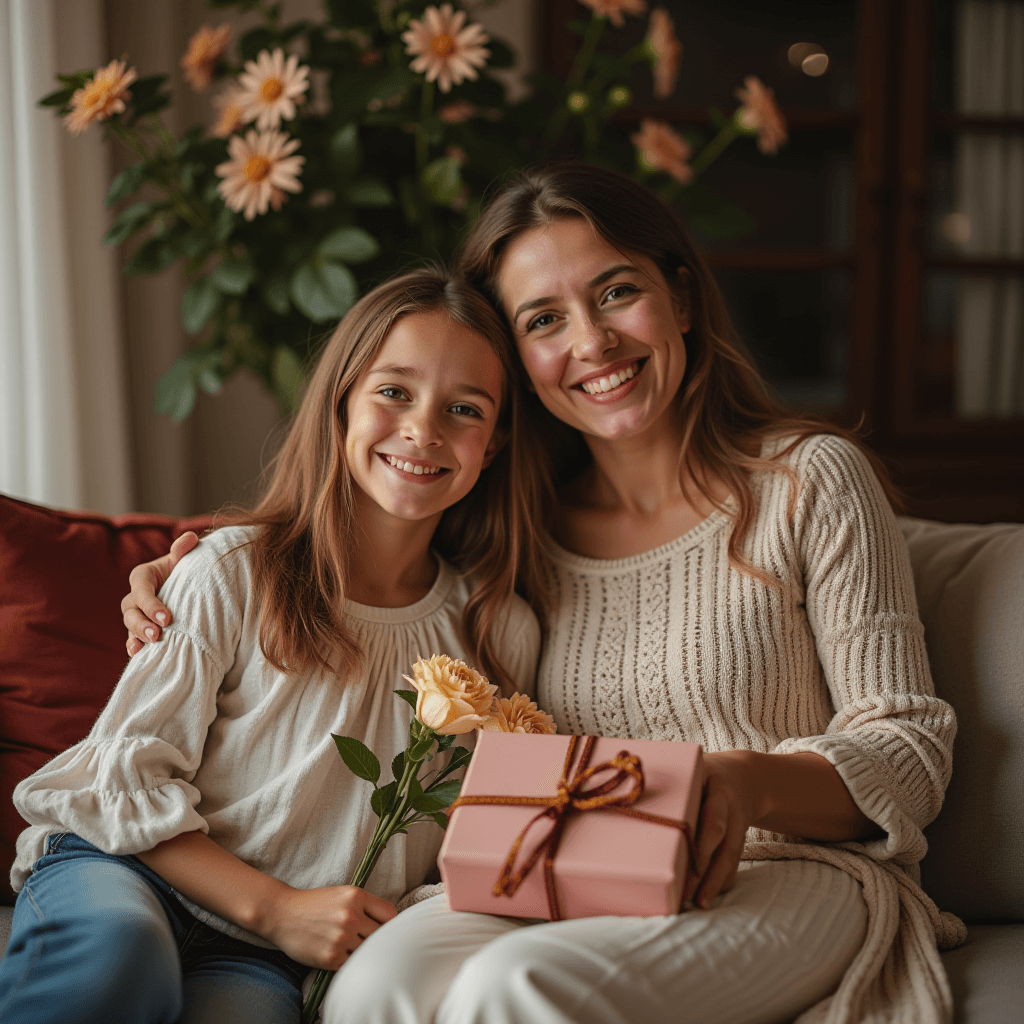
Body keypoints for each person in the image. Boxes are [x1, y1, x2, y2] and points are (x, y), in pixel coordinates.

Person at [118, 164, 962, 1024]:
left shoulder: (810, 482)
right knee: (371, 989)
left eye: (617, 292)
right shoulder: (511, 527)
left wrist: (746, 781)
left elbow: (910, 744)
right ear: (517, 363)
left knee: (511, 989)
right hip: (558, 863)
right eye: (545, 320)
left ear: (680, 296)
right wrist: (188, 563)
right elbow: (356, 523)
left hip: (787, 870)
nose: (592, 343)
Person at [0, 267, 548, 1024]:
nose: (425, 428)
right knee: (120, 959)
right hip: (130, 866)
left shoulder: (496, 628)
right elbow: (125, 780)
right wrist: (277, 908)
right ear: (341, 402)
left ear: (492, 445)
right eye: (394, 391)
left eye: (464, 409)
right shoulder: (232, 571)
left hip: (262, 956)